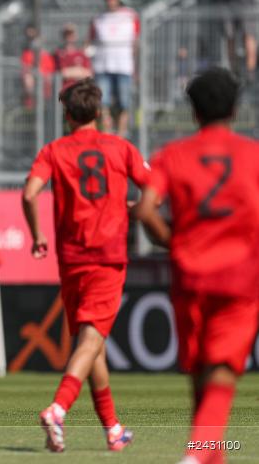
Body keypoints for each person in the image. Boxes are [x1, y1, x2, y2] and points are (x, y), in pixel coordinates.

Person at [134, 68, 259, 464]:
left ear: (193, 113)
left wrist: (175, 241)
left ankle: (208, 456)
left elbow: (145, 210)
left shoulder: (172, 156)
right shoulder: (253, 155)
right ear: (236, 110)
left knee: (200, 371)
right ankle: (195, 455)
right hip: (239, 277)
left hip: (189, 275)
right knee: (222, 368)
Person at [22, 79, 149, 453]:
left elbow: (30, 193)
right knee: (93, 338)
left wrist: (37, 235)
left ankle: (113, 429)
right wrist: (132, 211)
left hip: (71, 260)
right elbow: (154, 188)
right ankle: (58, 409)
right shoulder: (121, 148)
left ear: (67, 115)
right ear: (99, 112)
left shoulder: (54, 151)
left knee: (92, 343)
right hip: (108, 257)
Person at [89, 0, 139, 136]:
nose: (110, 1)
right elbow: (90, 41)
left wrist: (136, 66)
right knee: (103, 103)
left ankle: (122, 136)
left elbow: (136, 42)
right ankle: (107, 134)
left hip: (124, 67)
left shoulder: (130, 16)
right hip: (102, 66)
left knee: (124, 102)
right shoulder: (98, 18)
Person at [21, 24, 57, 109]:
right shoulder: (26, 55)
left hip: (46, 95)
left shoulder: (47, 57)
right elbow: (25, 72)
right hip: (32, 98)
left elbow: (50, 74)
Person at [53, 23, 93, 93]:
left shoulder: (82, 54)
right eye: (66, 35)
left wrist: (71, 72)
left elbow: (88, 74)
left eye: (71, 35)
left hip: (80, 91)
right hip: (64, 92)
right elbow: (62, 73)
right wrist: (79, 70)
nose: (69, 37)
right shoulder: (58, 54)